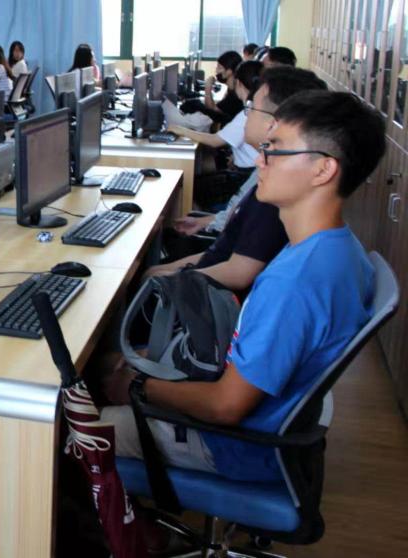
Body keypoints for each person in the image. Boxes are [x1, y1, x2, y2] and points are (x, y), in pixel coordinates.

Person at [99, 89, 384, 485]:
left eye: (275, 150)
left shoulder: (295, 282)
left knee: (69, 420)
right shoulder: (338, 248)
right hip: (259, 414)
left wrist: (140, 386)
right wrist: (145, 361)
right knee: (108, 362)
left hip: (230, 444)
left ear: (323, 170)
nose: (260, 160)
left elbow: (226, 406)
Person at [156, 67, 329, 292]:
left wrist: (160, 276)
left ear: (274, 123)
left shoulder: (274, 196)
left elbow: (238, 271)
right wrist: (209, 221)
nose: (245, 115)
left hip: (208, 291)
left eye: (250, 108)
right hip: (210, 265)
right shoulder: (274, 180)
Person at [169, 60, 264, 208]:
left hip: (243, 176)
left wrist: (181, 130)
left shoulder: (248, 113)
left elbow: (215, 141)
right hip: (246, 172)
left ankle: (201, 219)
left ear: (238, 83)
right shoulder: (254, 110)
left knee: (188, 186)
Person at [185, 50, 244, 125]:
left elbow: (212, 110)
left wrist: (208, 87)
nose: (216, 70)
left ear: (229, 71)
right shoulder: (231, 89)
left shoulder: (235, 96)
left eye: (219, 68)